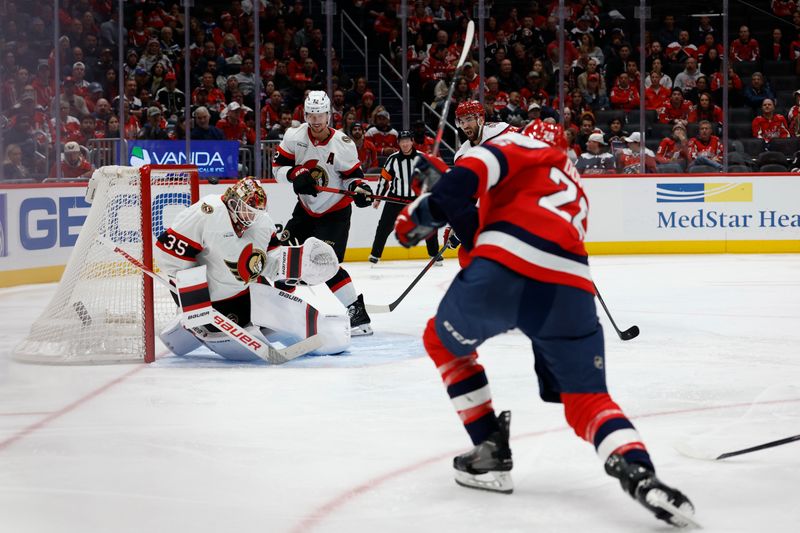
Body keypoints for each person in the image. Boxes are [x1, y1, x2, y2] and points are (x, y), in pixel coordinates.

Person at [392, 124, 696, 529]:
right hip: (571, 288)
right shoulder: (572, 177)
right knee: (586, 401)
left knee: (442, 342)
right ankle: (641, 474)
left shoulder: (514, 143)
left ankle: (489, 448)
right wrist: (450, 201)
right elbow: (508, 232)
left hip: (505, 267)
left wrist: (424, 211)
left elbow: (463, 194)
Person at [154, 177, 347, 360]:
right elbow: (168, 255)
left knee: (282, 317)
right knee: (234, 329)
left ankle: (324, 334)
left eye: (256, 213)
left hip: (247, 295)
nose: (252, 217)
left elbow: (270, 259)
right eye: (248, 210)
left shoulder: (261, 222)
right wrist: (193, 299)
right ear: (232, 202)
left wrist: (291, 269)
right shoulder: (208, 212)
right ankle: (186, 328)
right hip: (213, 303)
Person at [272, 90, 374, 336]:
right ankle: (279, 313)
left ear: (329, 115)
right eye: (311, 115)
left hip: (334, 213)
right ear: (305, 114)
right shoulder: (294, 136)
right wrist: (294, 175)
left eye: (320, 115)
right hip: (305, 210)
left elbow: (354, 179)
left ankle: (358, 315)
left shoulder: (343, 144)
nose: (316, 120)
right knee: (285, 258)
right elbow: (278, 169)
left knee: (325, 264)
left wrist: (360, 190)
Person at [369, 131, 440, 266]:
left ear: (412, 141)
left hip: (417, 198)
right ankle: (375, 254)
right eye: (402, 141)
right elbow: (384, 179)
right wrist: (378, 198)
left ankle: (434, 254)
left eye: (407, 141)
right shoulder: (393, 159)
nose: (405, 144)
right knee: (384, 226)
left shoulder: (422, 157)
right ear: (398, 143)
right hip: (396, 199)